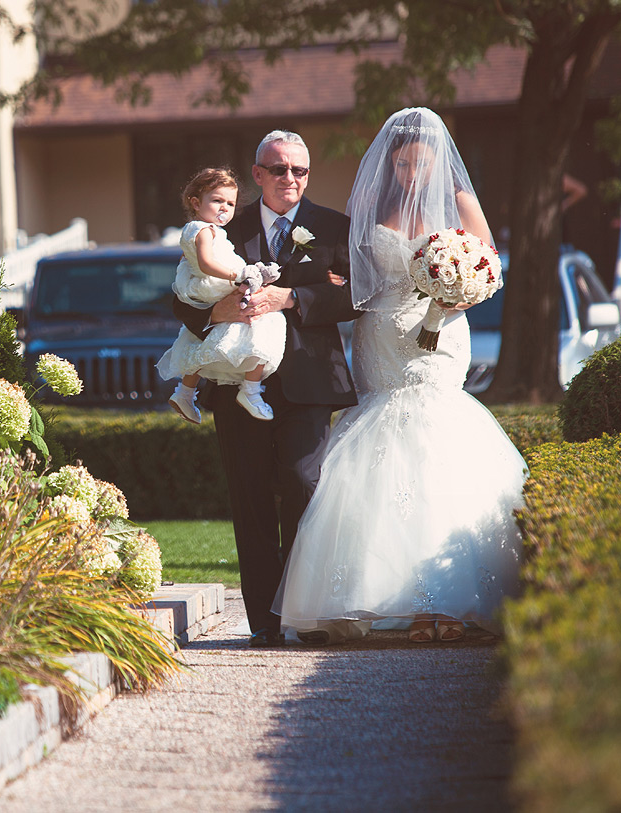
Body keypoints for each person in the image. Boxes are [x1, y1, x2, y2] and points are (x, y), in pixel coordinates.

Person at [271, 107, 526, 645]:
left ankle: (449, 602)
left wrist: (453, 293)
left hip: (441, 334)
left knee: (436, 437)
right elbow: (350, 270)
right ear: (391, 163)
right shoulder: (372, 202)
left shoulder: (458, 202)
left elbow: (490, 268)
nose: (412, 176)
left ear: (438, 163)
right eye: (404, 165)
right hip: (381, 335)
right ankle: (384, 598)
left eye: (421, 166)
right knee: (382, 437)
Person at [172, 131, 360, 648]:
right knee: (250, 497)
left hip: (309, 378)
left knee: (302, 484)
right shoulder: (223, 223)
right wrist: (215, 310)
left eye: (299, 170)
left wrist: (292, 298)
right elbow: (182, 291)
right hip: (236, 380)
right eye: (279, 170)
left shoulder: (331, 227)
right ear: (258, 173)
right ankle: (265, 623)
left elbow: (356, 298)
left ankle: (304, 609)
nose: (290, 180)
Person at [156, 167, 287, 423]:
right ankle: (251, 389)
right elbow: (206, 264)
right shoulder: (203, 230)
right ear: (196, 202)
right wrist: (237, 276)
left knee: (196, 341)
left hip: (209, 286)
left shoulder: (204, 230)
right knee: (269, 320)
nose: (224, 208)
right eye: (217, 200)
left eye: (230, 203)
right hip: (215, 282)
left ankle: (184, 391)